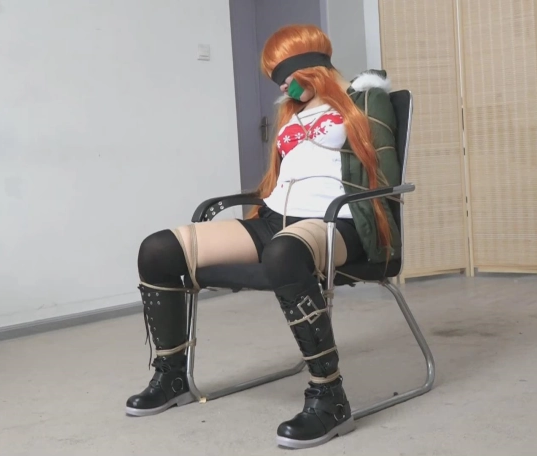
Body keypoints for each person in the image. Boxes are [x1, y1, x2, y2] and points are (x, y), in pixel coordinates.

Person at [126, 24, 402, 449]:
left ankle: (329, 396)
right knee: (158, 249)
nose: (283, 88)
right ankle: (171, 376)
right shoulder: (294, 112)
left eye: (285, 77)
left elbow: (385, 178)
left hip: (336, 222)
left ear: (310, 68)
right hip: (275, 220)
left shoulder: (365, 99)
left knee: (283, 253)